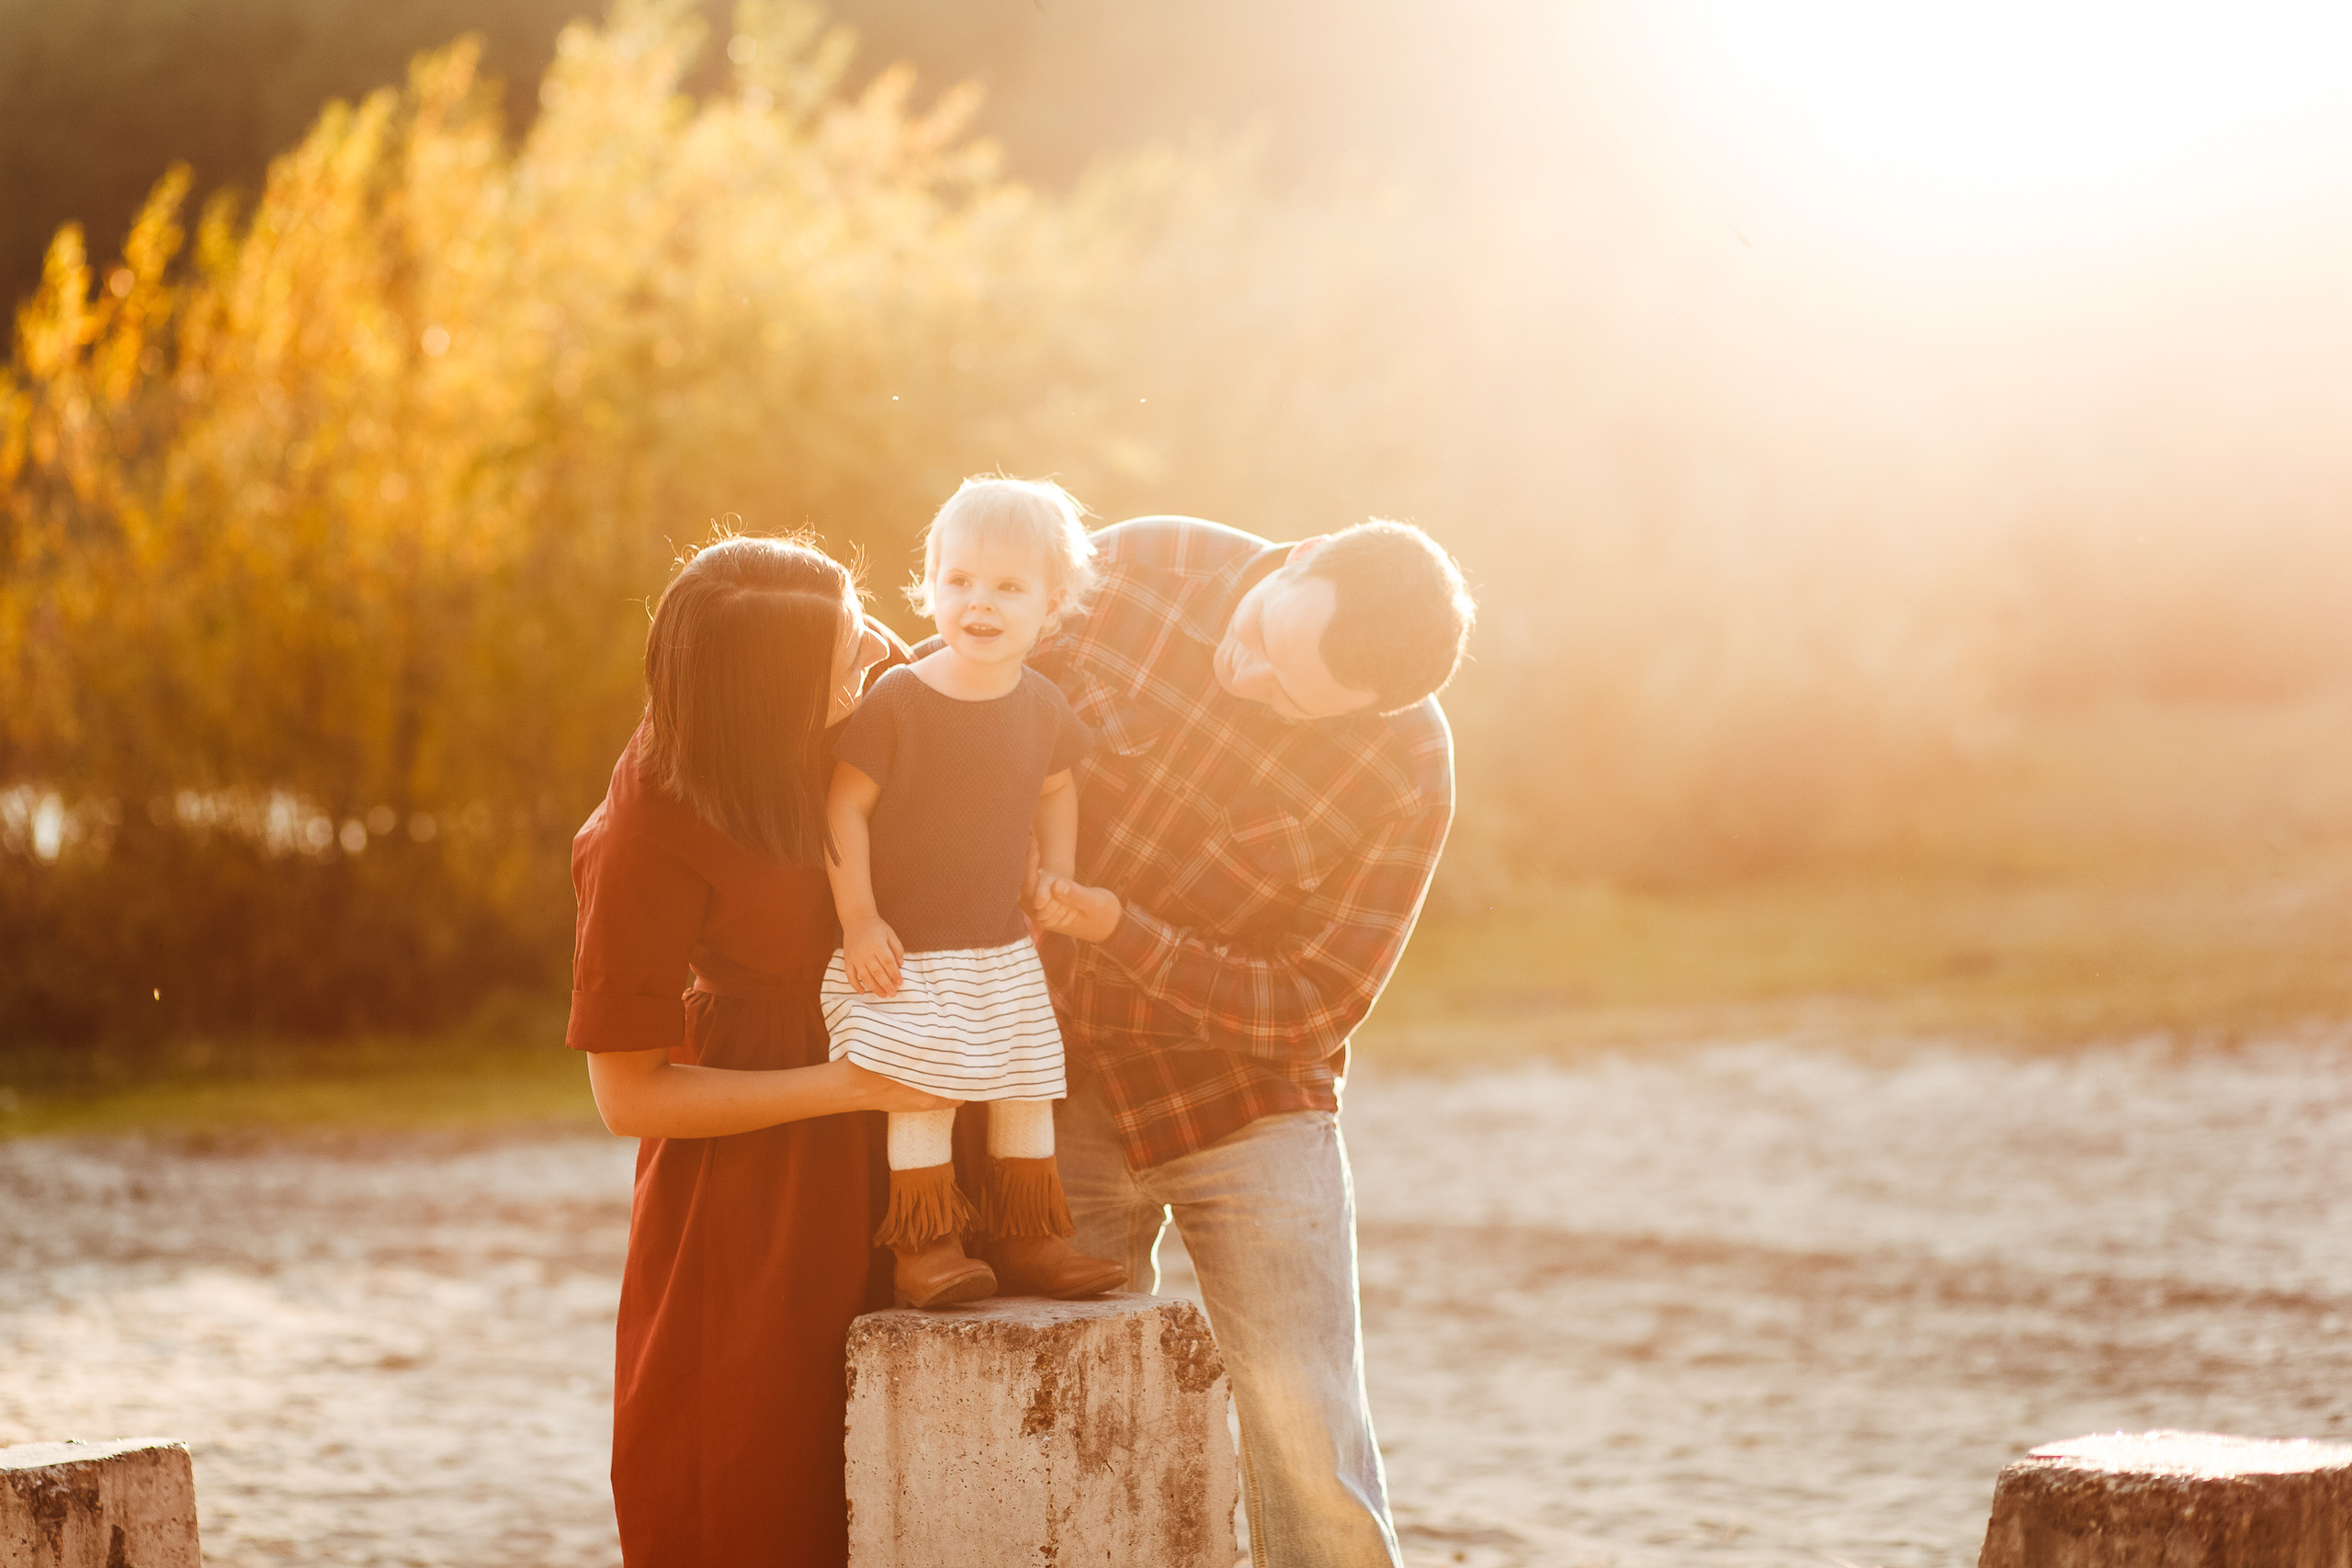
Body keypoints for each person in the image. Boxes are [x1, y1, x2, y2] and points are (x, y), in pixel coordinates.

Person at [1027, 514, 1476, 1568]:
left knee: (1310, 1443)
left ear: (1362, 709)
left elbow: (1314, 1003)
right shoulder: (1132, 565)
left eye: (1287, 691)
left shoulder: (1408, 765)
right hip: (1056, 1081)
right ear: (1303, 555)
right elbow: (962, 682)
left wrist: (1124, 934)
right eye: (1265, 635)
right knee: (1043, 1408)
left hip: (1247, 1109)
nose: (1248, 673)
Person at [565, 533, 957, 1568]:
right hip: (765, 1168)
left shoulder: (858, 690)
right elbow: (628, 1098)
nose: (876, 650)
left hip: (909, 1125)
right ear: (766, 695)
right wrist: (843, 1085)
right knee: (752, 1472)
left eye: (858, 623)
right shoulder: (646, 824)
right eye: (843, 655)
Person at [822, 477, 1127, 1307]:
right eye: (958, 581)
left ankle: (1030, 1238)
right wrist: (858, 917)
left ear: (1051, 604)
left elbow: (1057, 788)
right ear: (928, 584)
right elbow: (844, 804)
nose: (978, 603)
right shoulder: (899, 699)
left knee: (1024, 1081)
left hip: (999, 944)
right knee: (922, 1088)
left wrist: (1056, 873)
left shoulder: (1042, 705)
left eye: (1006, 587)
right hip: (906, 944)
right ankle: (926, 1247)